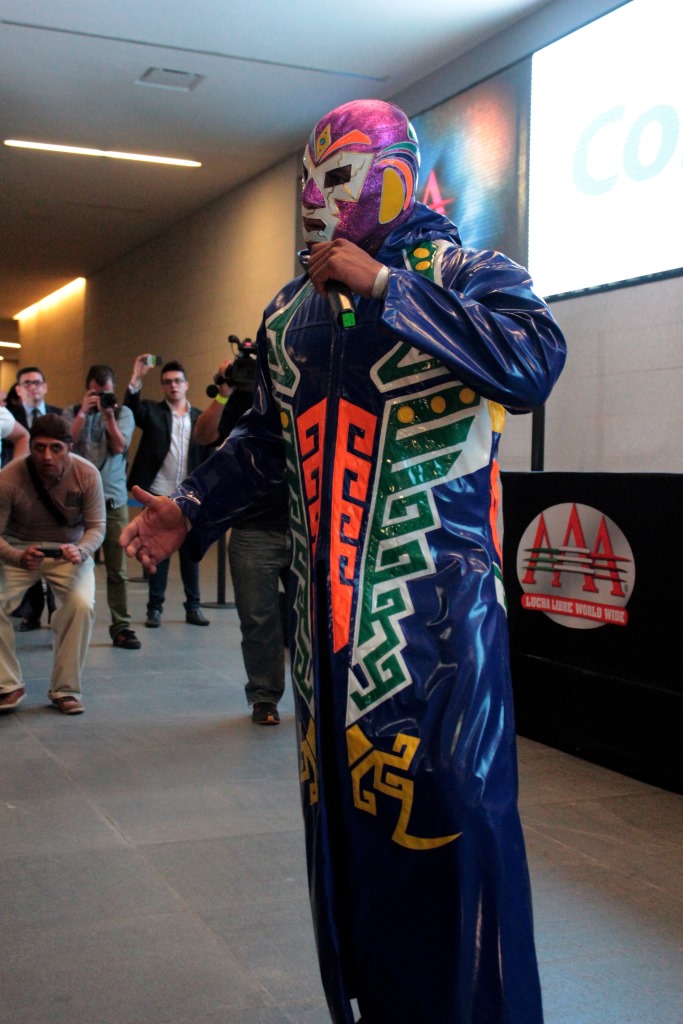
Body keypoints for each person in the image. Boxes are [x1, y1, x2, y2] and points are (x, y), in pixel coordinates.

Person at [121, 99, 567, 1024]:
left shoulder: (469, 272)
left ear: (395, 179)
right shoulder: (290, 311)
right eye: (305, 183)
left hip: (439, 620)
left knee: (456, 821)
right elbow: (263, 440)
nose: (314, 202)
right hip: (327, 636)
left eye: (336, 180)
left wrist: (387, 288)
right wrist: (189, 507)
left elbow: (531, 363)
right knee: (347, 835)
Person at [194, 355, 290, 725]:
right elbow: (204, 436)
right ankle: (264, 696)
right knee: (258, 619)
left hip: (306, 527)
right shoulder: (240, 398)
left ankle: (319, 699)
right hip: (253, 529)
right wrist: (224, 391)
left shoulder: (308, 389)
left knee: (317, 622)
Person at [0, 413, 105, 714]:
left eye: (56, 448)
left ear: (69, 448)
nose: (47, 456)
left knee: (81, 605)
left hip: (69, 550)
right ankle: (8, 684)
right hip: (19, 548)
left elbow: (97, 526)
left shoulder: (86, 474)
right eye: (40, 447)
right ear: (30, 446)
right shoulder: (9, 478)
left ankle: (65, 690)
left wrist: (81, 551)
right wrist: (17, 556)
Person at [124, 357, 212, 628]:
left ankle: (193, 607)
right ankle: (155, 608)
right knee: (156, 551)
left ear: (186, 385)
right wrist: (137, 376)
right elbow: (130, 409)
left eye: (177, 381)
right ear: (162, 387)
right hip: (159, 493)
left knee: (190, 554)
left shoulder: (200, 418)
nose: (173, 385)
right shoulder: (152, 412)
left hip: (189, 497)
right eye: (167, 382)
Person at [62, 365, 141, 650]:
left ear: (113, 391)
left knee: (117, 570)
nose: (100, 398)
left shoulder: (123, 413)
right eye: (95, 393)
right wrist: (83, 412)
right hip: (77, 503)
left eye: (105, 393)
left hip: (113, 501)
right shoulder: (72, 412)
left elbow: (119, 446)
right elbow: (66, 444)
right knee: (71, 566)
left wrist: (108, 415)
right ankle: (68, 623)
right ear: (87, 390)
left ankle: (121, 626)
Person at [5, 366, 61, 627]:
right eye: (27, 383)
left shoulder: (58, 415)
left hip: (53, 494)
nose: (33, 387)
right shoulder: (11, 416)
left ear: (45, 386)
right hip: (20, 494)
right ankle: (31, 611)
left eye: (37, 382)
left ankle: (55, 611)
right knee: (26, 550)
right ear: (18, 389)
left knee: (53, 552)